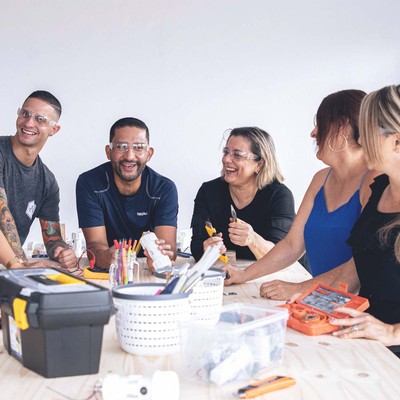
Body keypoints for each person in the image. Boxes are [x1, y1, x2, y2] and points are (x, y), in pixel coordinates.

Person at [223, 90, 377, 297]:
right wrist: (243, 275)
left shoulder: (374, 180)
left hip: (360, 312)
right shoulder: (320, 179)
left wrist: (300, 289)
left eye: (319, 123)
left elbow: (361, 265)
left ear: (341, 126)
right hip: (323, 302)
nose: (313, 133)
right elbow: (292, 245)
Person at [290, 85, 400, 352]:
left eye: (368, 133)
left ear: (397, 142)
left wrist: (391, 331)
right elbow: (358, 268)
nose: (360, 141)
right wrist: (309, 300)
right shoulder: (377, 192)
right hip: (364, 346)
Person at [76, 117, 178, 269]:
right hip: (111, 270)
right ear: (108, 152)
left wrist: (162, 257)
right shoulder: (90, 183)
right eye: (121, 146)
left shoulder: (164, 188)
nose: (129, 156)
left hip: (147, 267)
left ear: (149, 154)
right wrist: (106, 257)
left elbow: (168, 246)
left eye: (138, 147)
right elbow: (95, 246)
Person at [190, 126, 296, 262]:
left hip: (279, 276)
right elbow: (196, 246)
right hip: (232, 274)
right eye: (225, 152)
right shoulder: (208, 191)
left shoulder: (279, 196)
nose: (226, 159)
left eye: (237, 155)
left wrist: (253, 240)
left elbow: (281, 257)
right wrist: (206, 249)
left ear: (259, 164)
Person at [0, 90, 77, 269]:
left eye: (40, 119)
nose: (29, 123)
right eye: (25, 114)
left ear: (54, 130)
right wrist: (19, 265)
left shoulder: (47, 183)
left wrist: (62, 251)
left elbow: (53, 237)